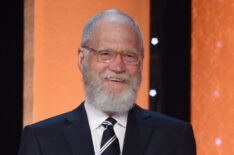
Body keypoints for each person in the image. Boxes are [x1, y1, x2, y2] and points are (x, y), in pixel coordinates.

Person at [18, 9, 196, 155]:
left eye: (129, 56)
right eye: (105, 54)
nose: (118, 66)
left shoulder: (174, 138)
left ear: (141, 63)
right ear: (82, 59)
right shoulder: (41, 139)